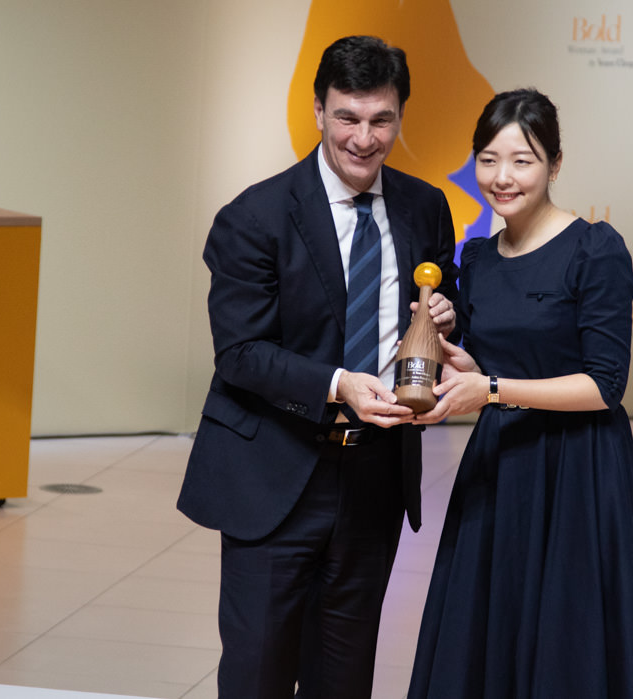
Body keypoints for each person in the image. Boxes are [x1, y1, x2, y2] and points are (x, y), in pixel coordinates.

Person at [177, 35, 459, 699]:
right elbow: (241, 353)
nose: (364, 138)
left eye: (381, 120)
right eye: (347, 117)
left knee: (344, 677)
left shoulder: (424, 208)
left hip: (374, 479)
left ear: (401, 117)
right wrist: (338, 384)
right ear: (317, 111)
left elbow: (439, 314)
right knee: (259, 675)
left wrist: (446, 320)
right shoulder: (255, 217)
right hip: (275, 474)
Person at [406, 88, 633, 698]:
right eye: (488, 160)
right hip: (499, 463)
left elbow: (605, 385)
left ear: (555, 164)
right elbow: (492, 364)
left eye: (522, 160)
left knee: (566, 635)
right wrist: (460, 361)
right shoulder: (478, 259)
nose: (503, 177)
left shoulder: (595, 249)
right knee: (489, 626)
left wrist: (491, 389)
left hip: (578, 468)